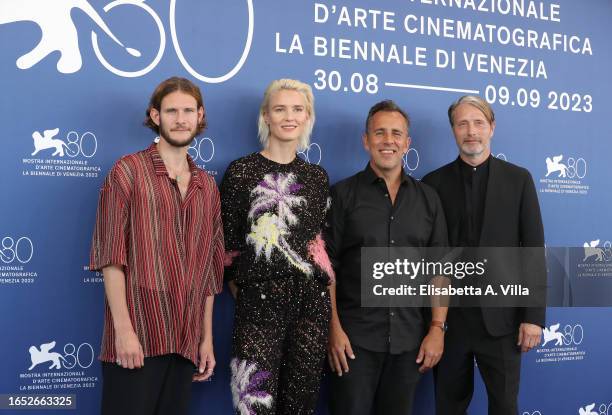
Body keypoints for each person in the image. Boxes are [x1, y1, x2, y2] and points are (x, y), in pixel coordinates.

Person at [89, 77, 224, 415]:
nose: (181, 119)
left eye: (188, 111)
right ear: (155, 115)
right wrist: (123, 331)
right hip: (137, 338)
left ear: (200, 115)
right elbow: (110, 258)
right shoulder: (127, 172)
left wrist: (205, 338)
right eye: (172, 111)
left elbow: (209, 270)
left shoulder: (207, 187)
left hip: (184, 340)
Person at [422, 95, 546, 415]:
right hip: (451, 322)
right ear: (453, 131)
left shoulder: (519, 180)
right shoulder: (433, 184)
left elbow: (533, 249)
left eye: (478, 123)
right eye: (462, 124)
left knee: (505, 406)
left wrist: (533, 317)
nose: (471, 131)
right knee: (448, 406)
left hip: (503, 323)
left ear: (491, 127)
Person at [326, 100, 449, 415]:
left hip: (410, 344)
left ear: (407, 143)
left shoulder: (428, 199)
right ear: (366, 140)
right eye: (379, 132)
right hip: (353, 344)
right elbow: (326, 269)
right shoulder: (342, 195)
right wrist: (333, 329)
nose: (388, 140)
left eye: (396, 133)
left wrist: (437, 328)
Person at [220, 79, 334, 415]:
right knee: (253, 404)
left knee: (300, 407)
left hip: (311, 310)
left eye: (297, 109)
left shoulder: (316, 177)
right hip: (258, 306)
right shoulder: (242, 172)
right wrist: (254, 294)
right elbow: (228, 248)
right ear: (266, 116)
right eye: (280, 109)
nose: (289, 116)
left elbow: (318, 249)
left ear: (307, 117)